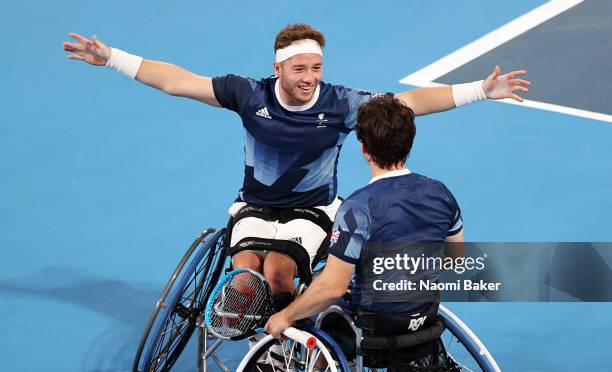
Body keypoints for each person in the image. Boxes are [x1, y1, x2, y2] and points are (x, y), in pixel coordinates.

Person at [63, 24, 526, 299]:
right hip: (254, 207)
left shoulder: (342, 104)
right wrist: (113, 59)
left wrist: (480, 91)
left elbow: (409, 102)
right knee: (245, 277)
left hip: (314, 211)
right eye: (299, 69)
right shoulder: (249, 94)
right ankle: (259, 343)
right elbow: (178, 81)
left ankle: (281, 352)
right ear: (279, 67)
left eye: (316, 68)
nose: (309, 78)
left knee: (279, 273)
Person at [265, 95, 464, 372]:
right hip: (424, 318)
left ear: (364, 148)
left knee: (318, 306)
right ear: (408, 141)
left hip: (374, 329)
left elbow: (333, 287)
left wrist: (285, 316)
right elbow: (456, 259)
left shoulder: (357, 208)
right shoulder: (441, 194)